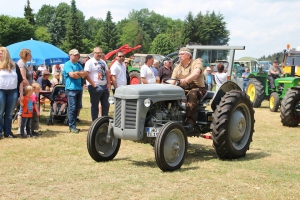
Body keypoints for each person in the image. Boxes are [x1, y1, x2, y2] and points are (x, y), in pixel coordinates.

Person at [170, 47, 206, 133]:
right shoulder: (177, 67)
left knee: (192, 93)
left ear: (188, 55)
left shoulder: (196, 62)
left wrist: (186, 80)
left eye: (182, 54)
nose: (179, 56)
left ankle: (190, 122)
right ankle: (171, 118)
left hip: (198, 89)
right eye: (179, 54)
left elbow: (196, 73)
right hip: (183, 89)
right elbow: (172, 81)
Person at [64, 49, 95, 133]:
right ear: (70, 55)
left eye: (78, 55)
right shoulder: (67, 64)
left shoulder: (78, 65)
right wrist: (79, 74)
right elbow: (72, 75)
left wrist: (77, 73)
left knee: (78, 107)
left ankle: (73, 124)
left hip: (78, 88)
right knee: (72, 108)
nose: (77, 56)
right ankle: (72, 126)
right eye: (75, 55)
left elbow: (84, 74)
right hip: (71, 89)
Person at [0, 47, 23, 139]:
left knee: (9, 113)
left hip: (13, 91)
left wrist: (21, 94)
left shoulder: (14, 65)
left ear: (5, 54)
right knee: (0, 112)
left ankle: (8, 132)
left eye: (1, 53)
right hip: (0, 90)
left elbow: (20, 80)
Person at [84, 47, 111, 121]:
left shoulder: (103, 62)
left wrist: (108, 84)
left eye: (100, 53)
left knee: (106, 105)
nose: (99, 54)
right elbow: (86, 74)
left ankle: (104, 122)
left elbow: (107, 73)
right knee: (95, 105)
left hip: (104, 86)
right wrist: (93, 84)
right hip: (95, 86)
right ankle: (95, 122)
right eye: (97, 53)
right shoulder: (89, 62)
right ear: (93, 53)